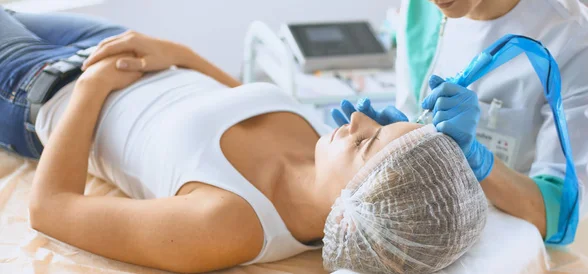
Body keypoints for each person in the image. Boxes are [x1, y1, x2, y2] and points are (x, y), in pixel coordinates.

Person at [0, 9, 488, 273]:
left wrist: (92, 86)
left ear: (359, 209)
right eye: (380, 126)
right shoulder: (321, 157)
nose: (360, 120)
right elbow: (234, 100)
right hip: (118, 44)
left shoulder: (227, 225)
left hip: (40, 88)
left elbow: (51, 209)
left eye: (367, 143)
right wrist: (179, 53)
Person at [339, 0, 588, 245]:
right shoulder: (420, 9)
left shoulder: (577, 41)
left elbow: (558, 216)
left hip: (512, 245)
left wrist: (478, 161)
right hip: (433, 225)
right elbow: (414, 107)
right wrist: (397, 136)